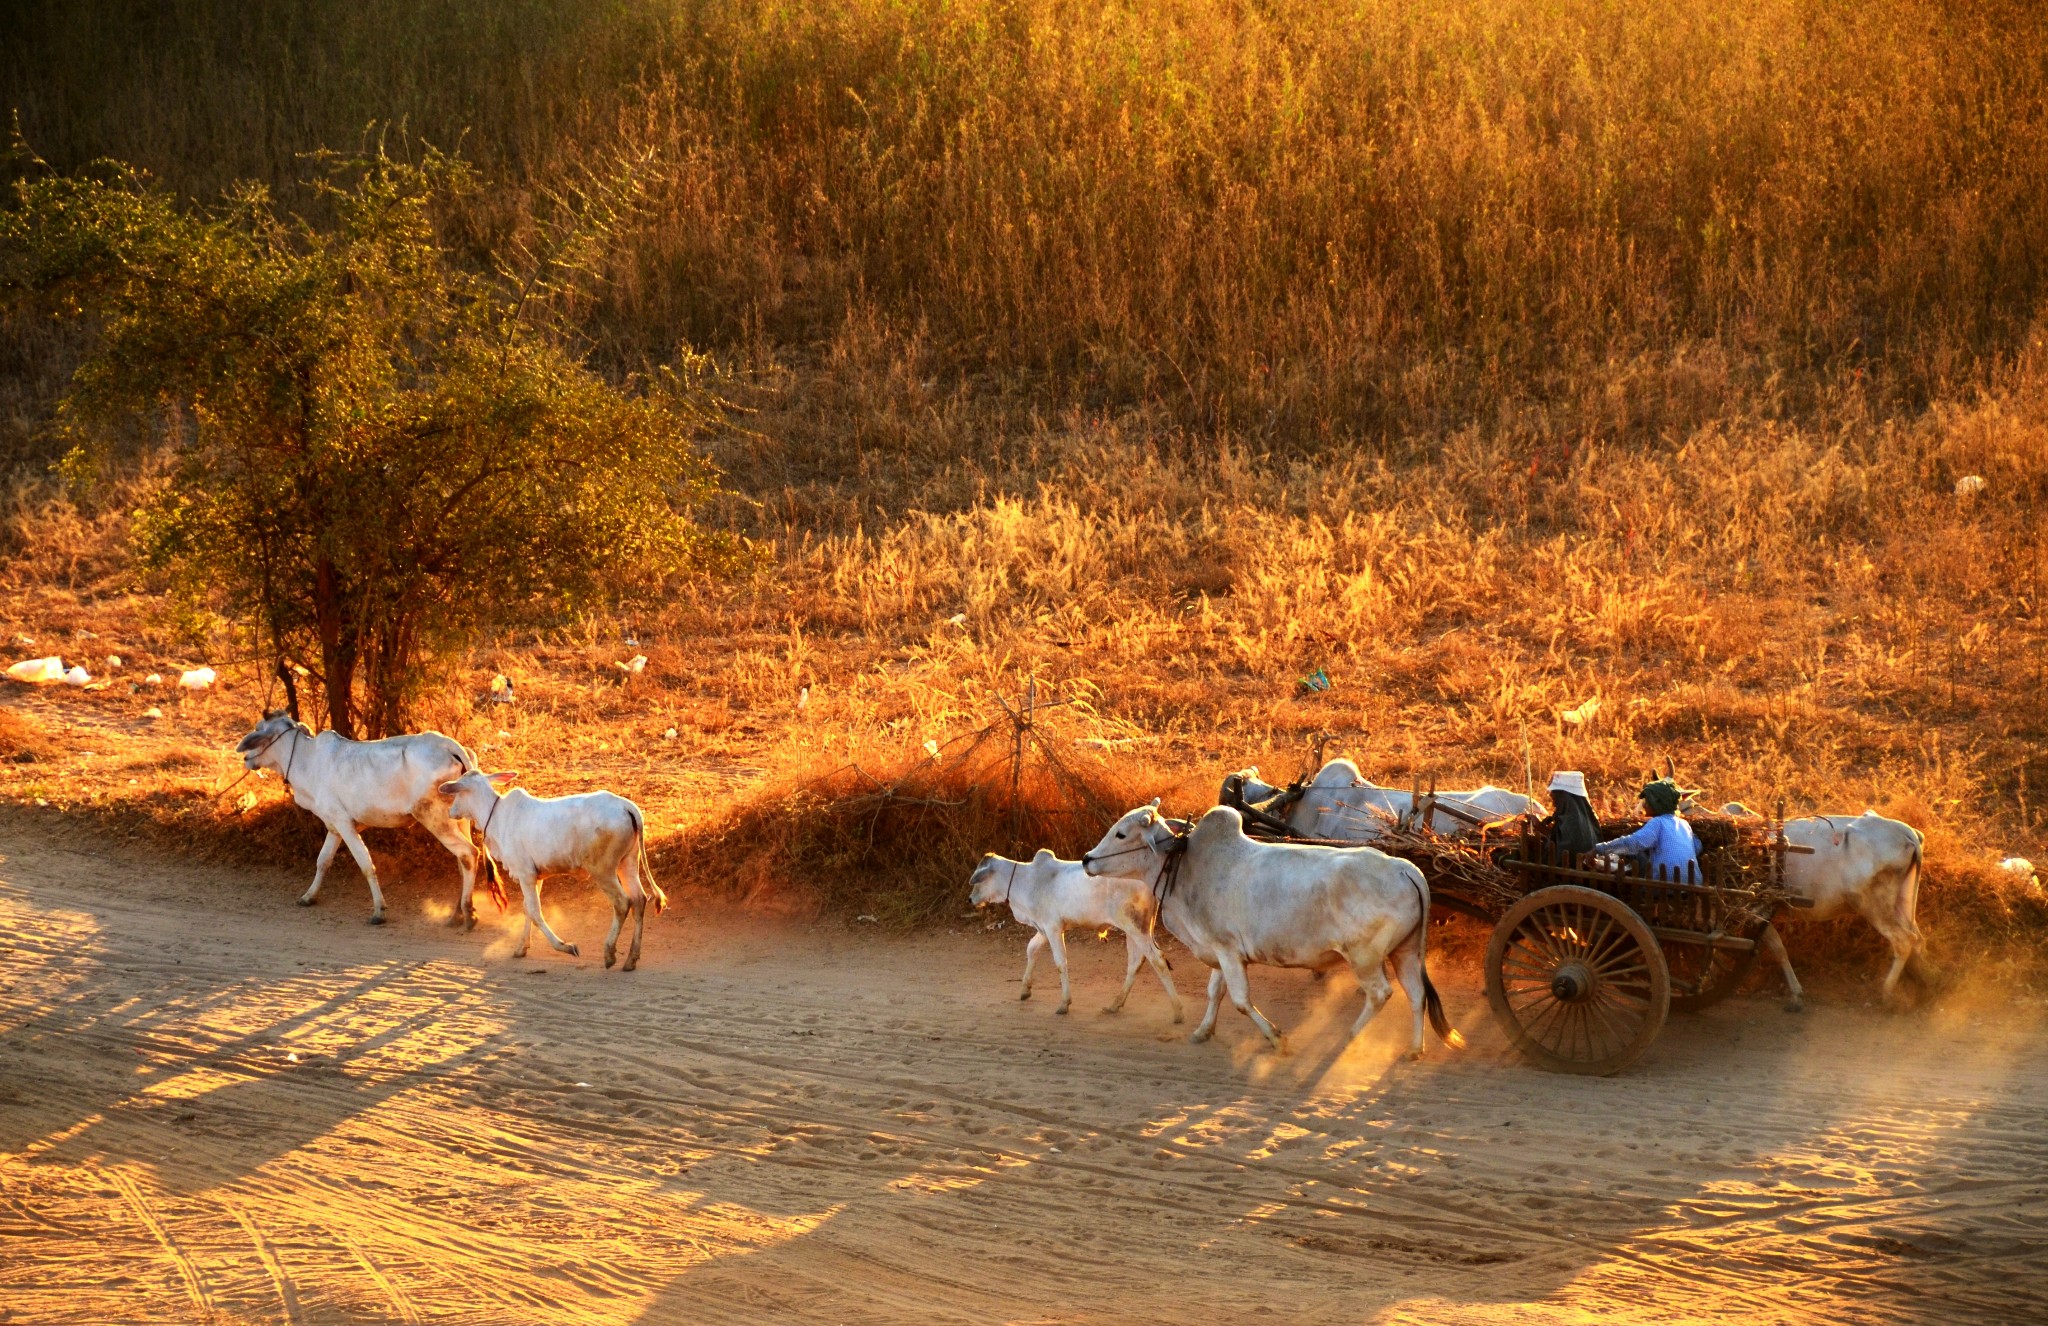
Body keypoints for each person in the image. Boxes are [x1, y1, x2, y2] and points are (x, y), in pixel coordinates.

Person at [1594, 777, 1700, 878]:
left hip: (1664, 885)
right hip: (1693, 883)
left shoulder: (1658, 822)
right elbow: (1697, 846)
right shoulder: (1685, 824)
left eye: (1647, 802)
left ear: (1657, 803)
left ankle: (1639, 892)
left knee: (1636, 852)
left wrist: (1599, 849)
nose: (1644, 806)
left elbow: (1634, 842)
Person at [1544, 770, 1601, 857]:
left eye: (1556, 793)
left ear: (1565, 796)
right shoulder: (1585, 817)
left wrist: (1540, 827)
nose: (1551, 795)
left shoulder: (1572, 820)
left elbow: (1562, 847)